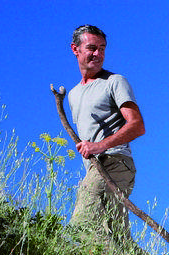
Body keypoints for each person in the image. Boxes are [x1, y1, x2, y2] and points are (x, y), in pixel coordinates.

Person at [67, 25, 145, 242]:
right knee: (120, 241)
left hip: (115, 162)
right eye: (92, 48)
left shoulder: (114, 82)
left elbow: (137, 125)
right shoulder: (73, 95)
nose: (97, 54)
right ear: (76, 49)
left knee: (82, 225)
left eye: (102, 48)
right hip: (96, 168)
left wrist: (99, 146)